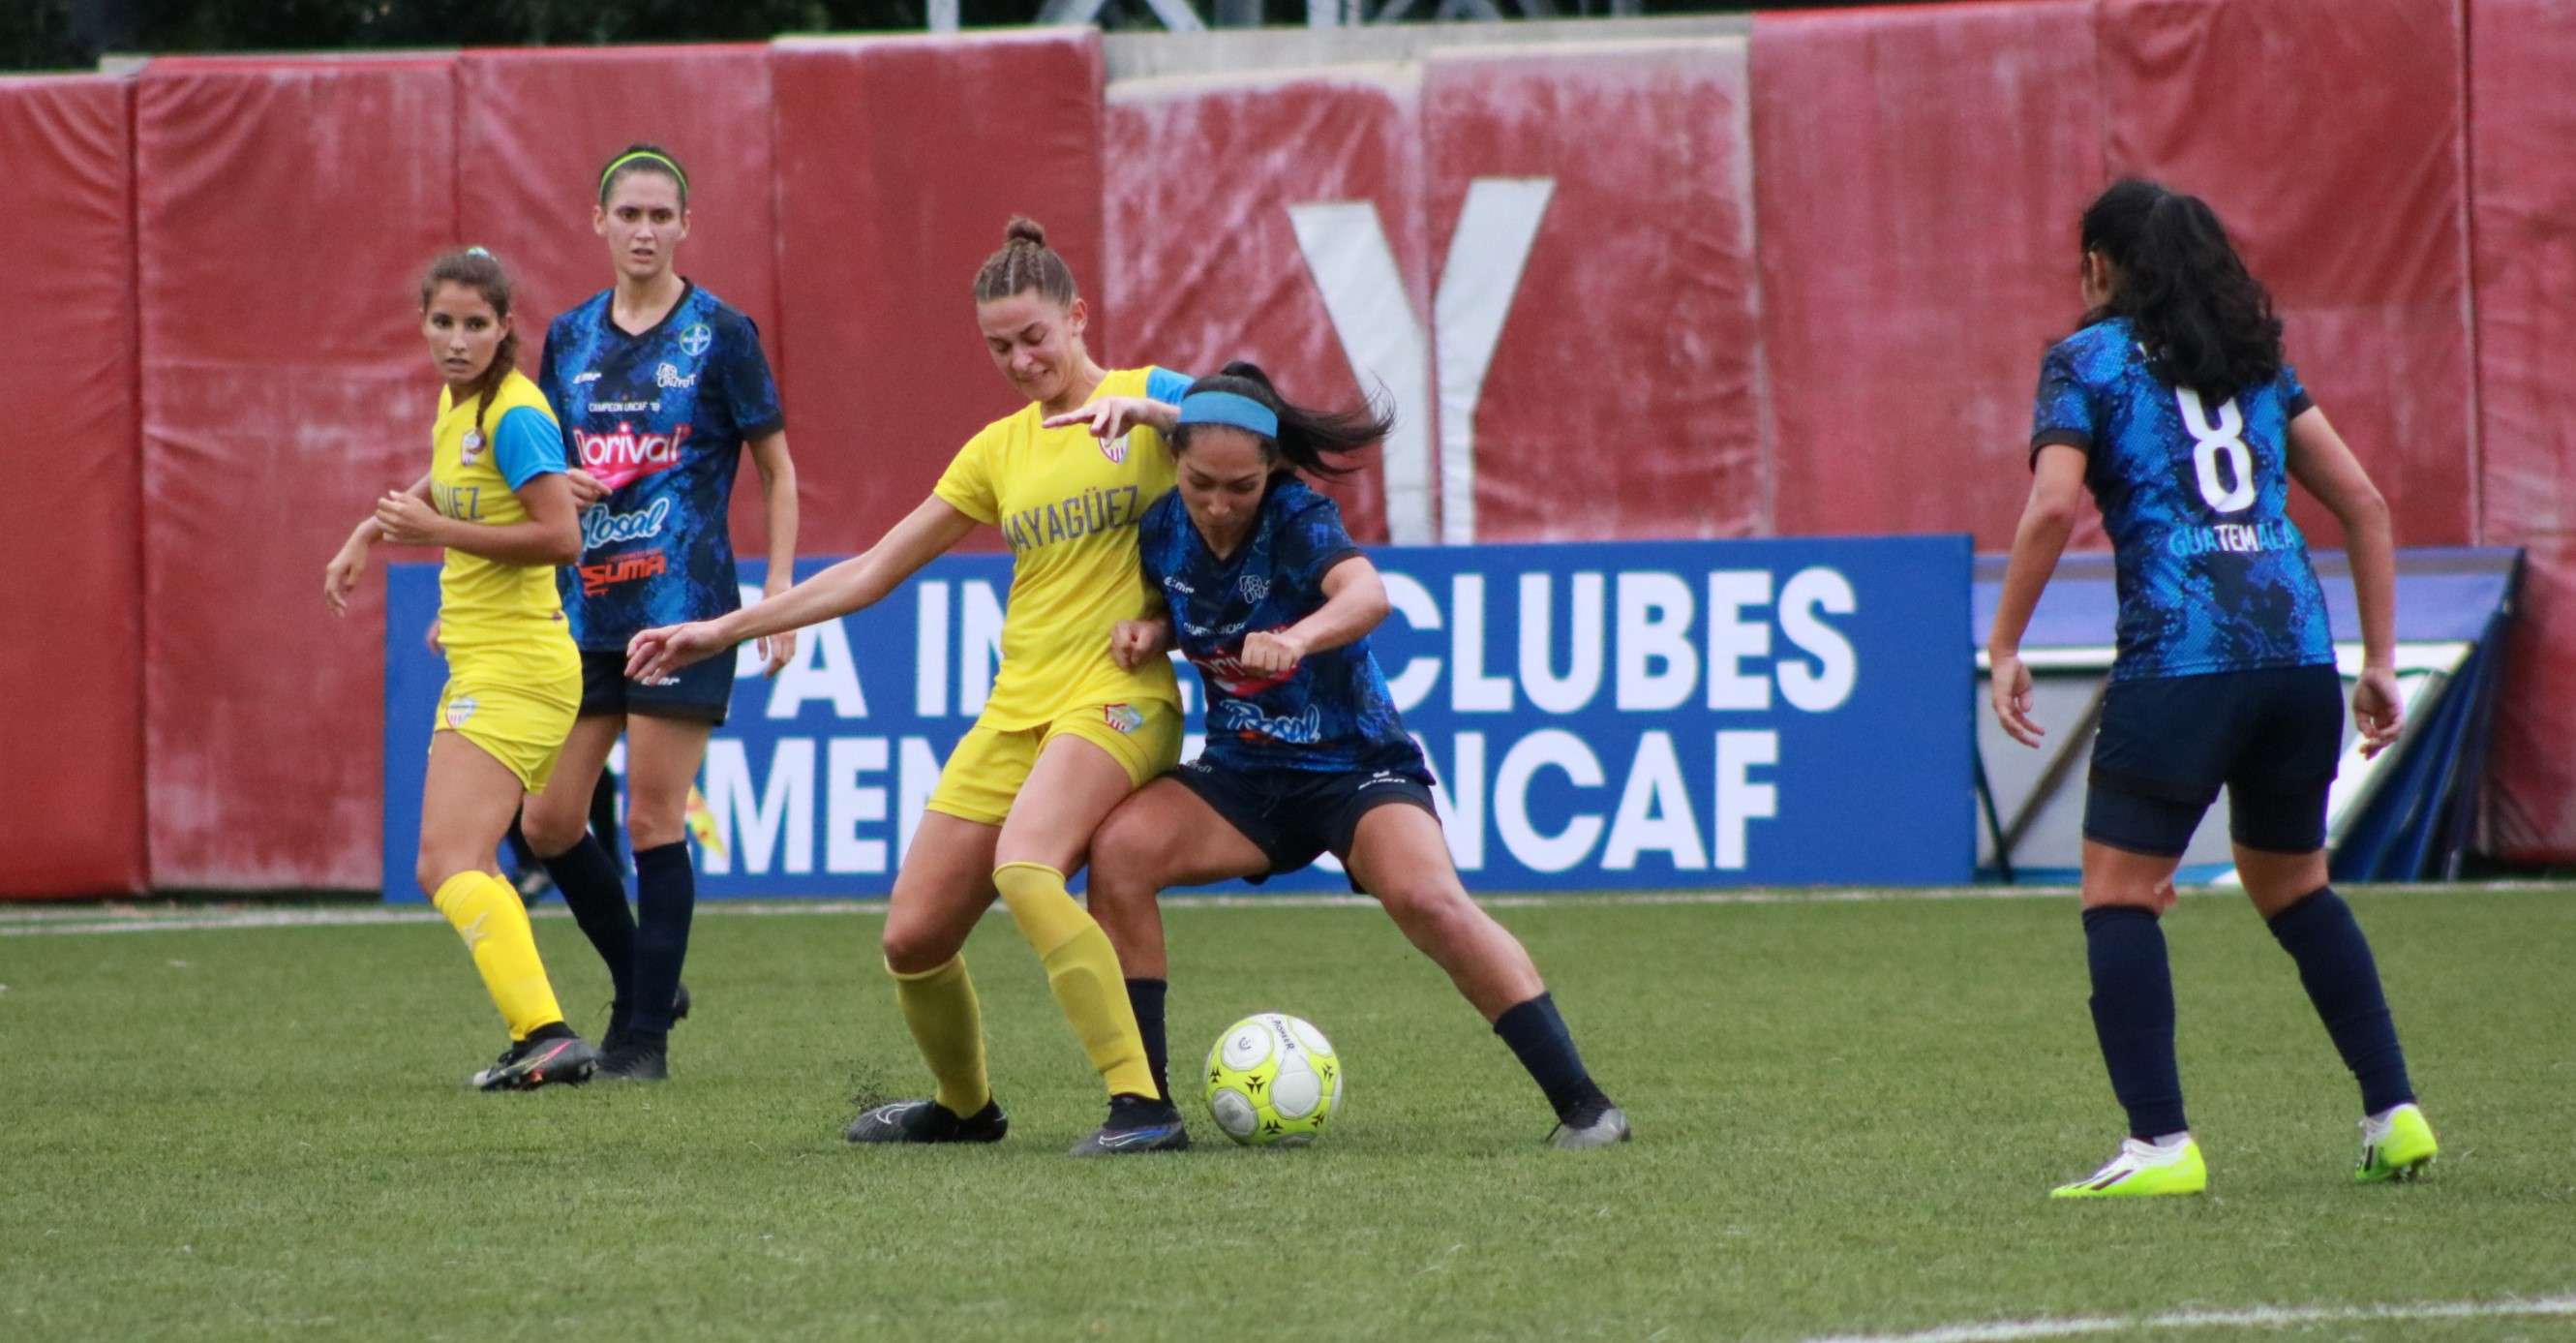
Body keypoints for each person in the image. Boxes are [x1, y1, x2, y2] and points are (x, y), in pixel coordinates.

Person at [629, 216, 1195, 1155]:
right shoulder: (998, 451)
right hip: (1018, 710)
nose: (1019, 360)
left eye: (1035, 338)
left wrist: (1162, 417)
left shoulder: (1147, 397)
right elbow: (872, 570)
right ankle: (966, 1110)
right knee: (914, 937)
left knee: (1027, 866)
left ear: (1079, 315)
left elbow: (1258, 430)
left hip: (1120, 696)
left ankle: (1142, 1105)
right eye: (999, 346)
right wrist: (719, 630)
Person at [1988, 179, 2435, 1197]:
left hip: (2182, 660)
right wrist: (2376, 660)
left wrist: (2007, 641)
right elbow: (2364, 504)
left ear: (2101, 265)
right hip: (2294, 658)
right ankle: (2393, 1109)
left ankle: (2159, 1143)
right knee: (2295, 885)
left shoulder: (2085, 360)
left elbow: (2055, 507)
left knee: (2118, 892)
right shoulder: (2258, 365)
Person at [1074, 362, 1631, 1150]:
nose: (1221, 504)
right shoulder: (1160, 527)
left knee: (1428, 900)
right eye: (1203, 482)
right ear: (1176, 462)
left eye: (1241, 486)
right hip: (1243, 775)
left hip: (1354, 767)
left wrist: (1296, 639)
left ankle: (1585, 1105)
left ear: (1271, 468)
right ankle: (1146, 1112)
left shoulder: (1300, 516)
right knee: (1119, 853)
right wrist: (1152, 633)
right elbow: (1194, 608)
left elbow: (1369, 595)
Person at [517, 143, 798, 1082]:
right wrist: (562, 483)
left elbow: (778, 471)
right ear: (597, 221)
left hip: (683, 609)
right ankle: (649, 974)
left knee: (651, 817)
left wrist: (781, 603)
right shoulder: (567, 337)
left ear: (686, 225)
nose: (643, 230)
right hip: (587, 608)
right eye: (627, 214)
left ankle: (643, 1038)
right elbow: (534, 465)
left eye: (659, 215)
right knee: (547, 822)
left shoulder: (721, 332)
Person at [323, 247, 598, 1090]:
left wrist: (428, 534)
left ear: (505, 327)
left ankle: (551, 1033)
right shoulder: (461, 408)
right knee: (461, 858)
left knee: (449, 859)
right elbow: (449, 486)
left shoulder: (516, 414)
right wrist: (370, 532)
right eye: (442, 321)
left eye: (475, 323)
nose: (456, 338)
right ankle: (553, 1030)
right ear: (423, 324)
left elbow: (561, 538)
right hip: (491, 656)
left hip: (519, 667)